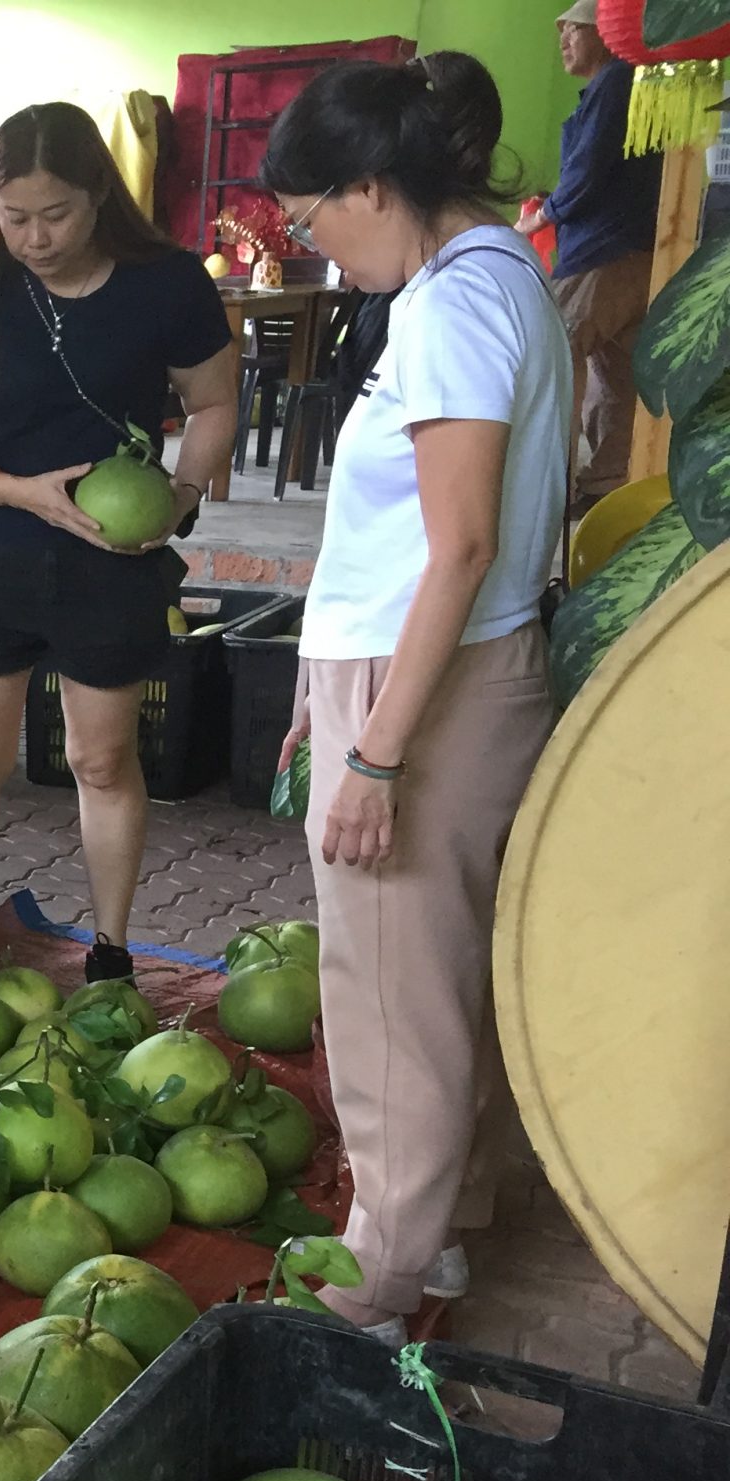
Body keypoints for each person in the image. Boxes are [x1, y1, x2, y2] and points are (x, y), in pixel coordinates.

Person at [265, 54, 571, 1341]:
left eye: (311, 217)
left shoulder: (449, 308)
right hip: (437, 667)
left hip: (421, 685)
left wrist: (376, 758)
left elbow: (456, 549)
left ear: (371, 186)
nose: (317, 249)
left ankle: (377, 1284)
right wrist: (311, 692)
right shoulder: (501, 273)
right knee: (449, 970)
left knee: (390, 993)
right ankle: (448, 1225)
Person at [0, 102, 239, 1014]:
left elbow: (213, 404)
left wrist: (182, 496)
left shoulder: (166, 283)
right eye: (15, 218)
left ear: (99, 195)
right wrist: (26, 492)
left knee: (101, 761)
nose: (35, 237)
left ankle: (113, 949)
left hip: (112, 561)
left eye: (55, 214)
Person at [518, 2, 664, 511]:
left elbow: (586, 173)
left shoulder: (615, 81)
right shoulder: (618, 84)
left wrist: (537, 219)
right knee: (617, 371)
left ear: (606, 34)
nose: (563, 39)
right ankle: (605, 484)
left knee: (553, 357)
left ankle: (547, 484)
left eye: (574, 29)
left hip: (602, 251)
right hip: (632, 249)